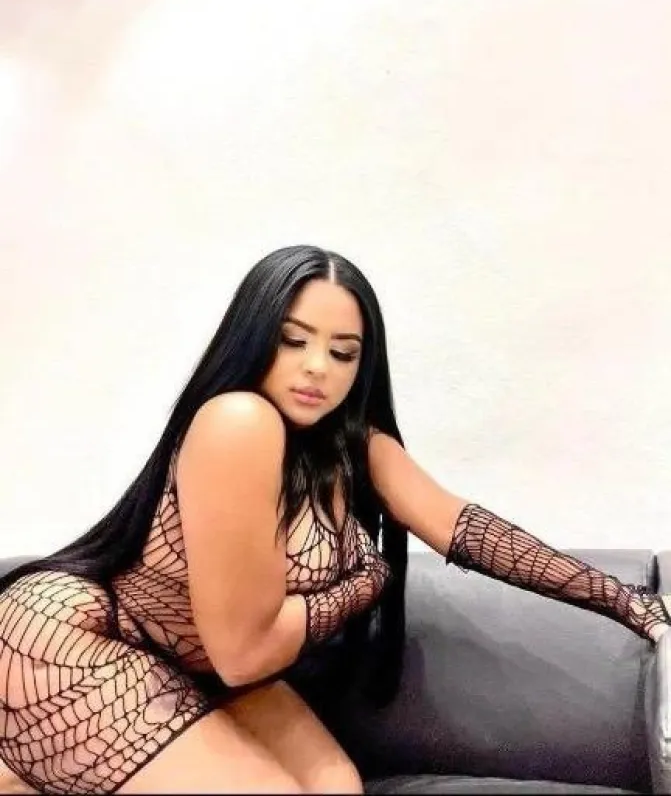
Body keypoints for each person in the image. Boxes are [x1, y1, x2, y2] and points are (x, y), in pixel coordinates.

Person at [0, 244, 668, 795]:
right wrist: (362, 583)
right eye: (293, 341)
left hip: (191, 664)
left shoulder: (354, 450)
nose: (316, 367)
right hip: (82, 641)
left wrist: (629, 603)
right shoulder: (238, 421)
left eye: (343, 352)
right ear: (253, 338)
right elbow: (244, 655)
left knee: (337, 788)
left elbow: (465, 529)